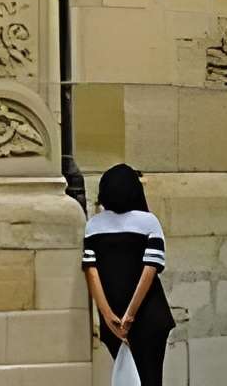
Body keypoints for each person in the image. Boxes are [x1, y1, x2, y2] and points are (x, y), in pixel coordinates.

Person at [81, 162, 172, 385]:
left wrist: (108, 315)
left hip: (113, 321)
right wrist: (130, 315)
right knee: (150, 379)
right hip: (148, 316)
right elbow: (150, 268)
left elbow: (91, 270)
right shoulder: (149, 221)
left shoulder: (93, 225)